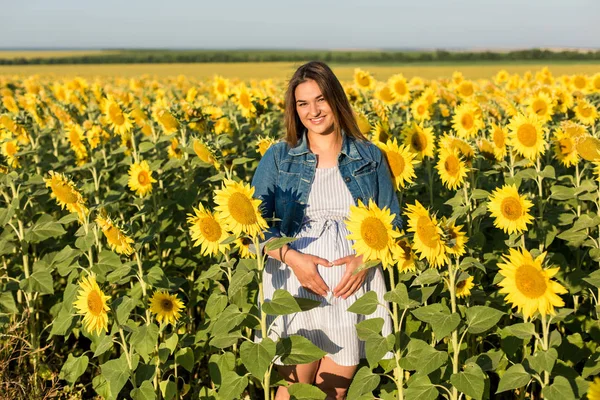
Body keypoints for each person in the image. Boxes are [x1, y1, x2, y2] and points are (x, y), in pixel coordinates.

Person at [251, 61, 401, 400]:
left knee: (332, 395)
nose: (313, 111)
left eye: (320, 99)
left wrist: (364, 259)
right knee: (292, 393)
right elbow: (253, 229)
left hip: (352, 288)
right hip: (295, 284)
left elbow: (394, 223)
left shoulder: (370, 157)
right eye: (303, 103)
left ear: (336, 100)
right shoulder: (279, 157)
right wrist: (293, 258)